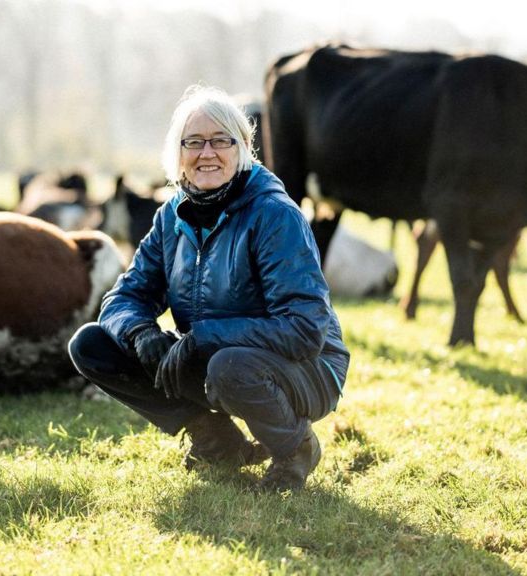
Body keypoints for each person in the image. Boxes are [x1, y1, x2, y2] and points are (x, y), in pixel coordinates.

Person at [68, 86, 349, 491]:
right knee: (92, 344)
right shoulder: (172, 216)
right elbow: (123, 298)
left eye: (221, 141)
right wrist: (140, 332)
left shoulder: (274, 215)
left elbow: (305, 329)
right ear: (177, 154)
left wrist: (204, 338)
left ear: (243, 148)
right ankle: (215, 439)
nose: (207, 153)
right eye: (194, 142)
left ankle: (294, 448)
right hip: (216, 355)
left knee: (229, 365)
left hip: (306, 368)